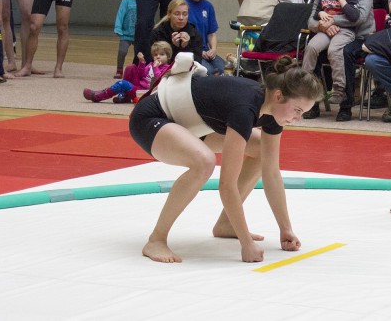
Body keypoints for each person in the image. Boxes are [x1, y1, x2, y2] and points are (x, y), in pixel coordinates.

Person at [132, 54, 323, 263]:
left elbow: (272, 173)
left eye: (302, 113)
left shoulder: (272, 113)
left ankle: (226, 224)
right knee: (204, 162)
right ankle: (156, 239)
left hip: (190, 125)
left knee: (260, 148)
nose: (297, 119)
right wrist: (246, 244)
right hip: (150, 119)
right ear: (278, 96)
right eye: (297, 110)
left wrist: (286, 229)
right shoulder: (244, 108)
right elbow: (226, 185)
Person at [302, 0, 373, 116]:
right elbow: (312, 21)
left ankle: (344, 103)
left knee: (343, 52)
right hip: (329, 33)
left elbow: (359, 18)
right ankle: (309, 96)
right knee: (313, 49)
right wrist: (324, 25)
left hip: (359, 35)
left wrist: (333, 21)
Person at [84, 40, 172, 103]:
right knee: (131, 67)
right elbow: (141, 75)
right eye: (156, 55)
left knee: (122, 84)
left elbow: (159, 80)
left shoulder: (167, 68)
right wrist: (141, 63)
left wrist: (156, 68)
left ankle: (98, 96)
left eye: (162, 54)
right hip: (139, 88)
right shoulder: (150, 65)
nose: (158, 57)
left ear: (168, 57)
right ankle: (125, 95)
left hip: (146, 93)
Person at [183, 0, 223, 76]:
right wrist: (198, 51)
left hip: (205, 51)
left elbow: (211, 33)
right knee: (208, 71)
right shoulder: (182, 3)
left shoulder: (208, 6)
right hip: (190, 50)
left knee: (222, 68)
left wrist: (213, 49)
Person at [114, 0, 138, 79]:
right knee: (122, 52)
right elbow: (120, 14)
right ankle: (119, 70)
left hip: (138, 35)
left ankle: (137, 71)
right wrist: (118, 28)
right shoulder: (126, 1)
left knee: (139, 54)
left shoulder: (144, 1)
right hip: (126, 34)